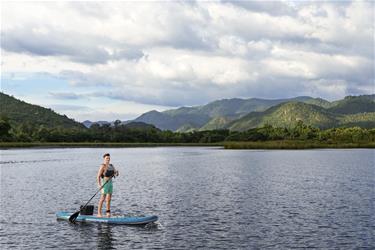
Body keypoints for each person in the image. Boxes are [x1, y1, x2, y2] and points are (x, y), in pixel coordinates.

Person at [97, 153, 119, 217]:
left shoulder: (111, 165)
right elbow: (98, 176)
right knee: (102, 198)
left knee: (109, 199)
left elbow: (116, 174)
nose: (108, 159)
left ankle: (108, 212)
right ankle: (99, 213)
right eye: (107, 158)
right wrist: (99, 185)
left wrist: (117, 172)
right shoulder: (102, 166)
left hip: (110, 183)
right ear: (104, 159)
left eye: (109, 158)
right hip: (104, 183)